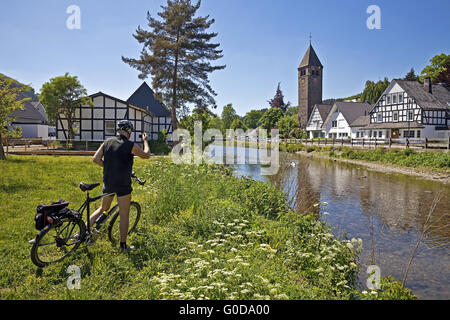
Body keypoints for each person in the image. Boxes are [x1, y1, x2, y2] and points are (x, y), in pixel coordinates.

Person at [91, 120, 150, 250]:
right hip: (123, 184)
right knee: (124, 214)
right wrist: (145, 141)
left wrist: (108, 167)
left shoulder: (107, 142)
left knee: (102, 209)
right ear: (128, 131)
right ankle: (123, 245)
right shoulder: (130, 145)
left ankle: (79, 234)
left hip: (109, 182)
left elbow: (95, 159)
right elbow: (146, 155)